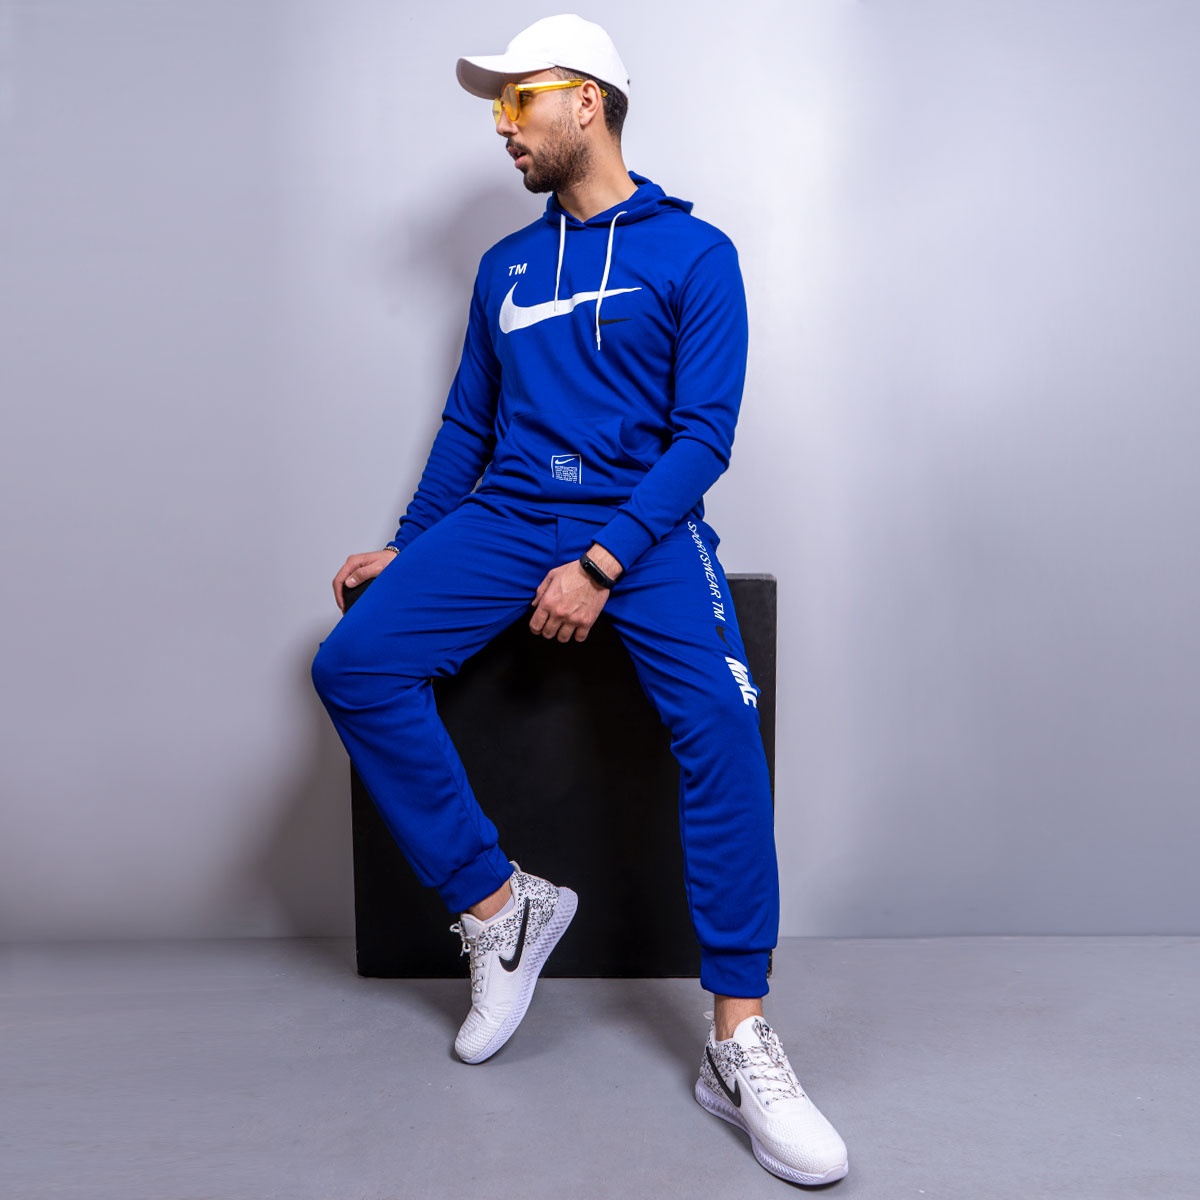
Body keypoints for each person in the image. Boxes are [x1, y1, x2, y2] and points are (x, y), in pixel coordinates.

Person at [310, 14, 848, 1186]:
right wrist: (411, 545)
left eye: (520, 102)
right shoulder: (506, 267)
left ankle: (739, 1038)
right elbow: (468, 424)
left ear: (587, 102)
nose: (502, 127)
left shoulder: (696, 255)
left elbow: (703, 438)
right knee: (353, 663)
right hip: (506, 517)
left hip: (642, 529)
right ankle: (498, 907)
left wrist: (603, 562)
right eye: (495, 108)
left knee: (721, 723)